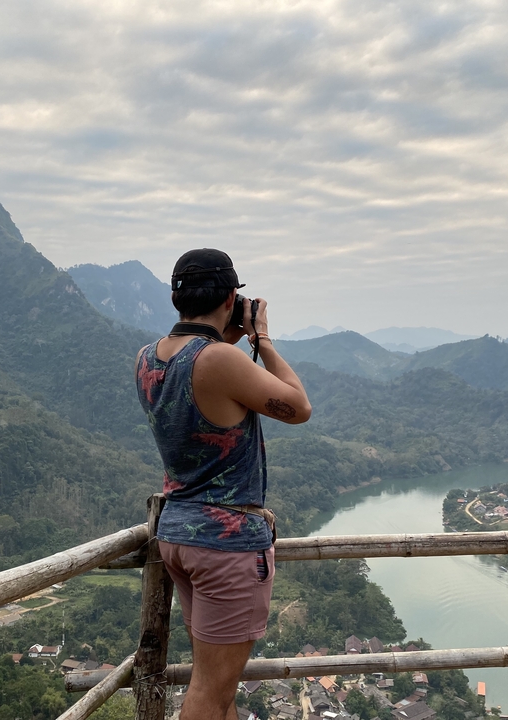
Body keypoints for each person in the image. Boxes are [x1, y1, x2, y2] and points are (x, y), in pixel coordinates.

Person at [135, 248, 311, 720]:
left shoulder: (147, 358)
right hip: (226, 546)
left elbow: (203, 375)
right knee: (211, 692)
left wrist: (226, 336)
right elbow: (298, 407)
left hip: (178, 536)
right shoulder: (220, 361)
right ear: (232, 297)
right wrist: (262, 339)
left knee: (218, 687)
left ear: (176, 298)